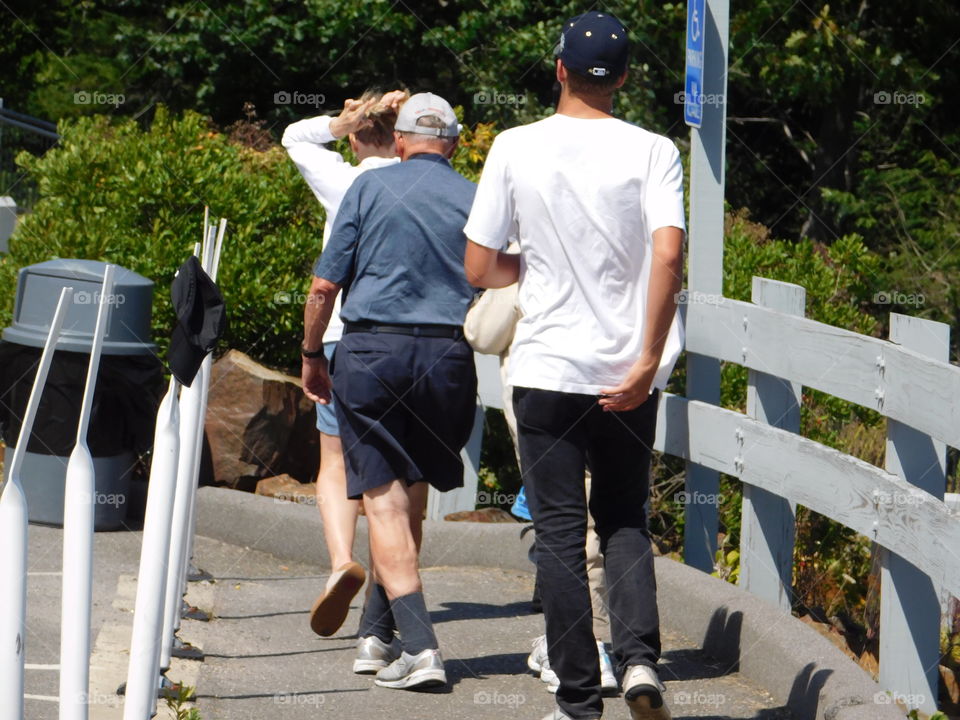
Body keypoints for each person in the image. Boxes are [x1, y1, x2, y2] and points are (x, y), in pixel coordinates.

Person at [463, 11, 684, 720]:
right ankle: (641, 661)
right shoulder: (654, 151)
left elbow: (479, 265)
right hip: (626, 373)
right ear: (622, 76)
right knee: (623, 518)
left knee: (559, 533)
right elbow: (670, 256)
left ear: (559, 69)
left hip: (545, 370)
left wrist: (534, 261)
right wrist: (648, 356)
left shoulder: (514, 145)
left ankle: (579, 701)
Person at [302, 92, 479, 690]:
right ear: (453, 145)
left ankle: (423, 647)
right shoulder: (475, 196)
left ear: (399, 142)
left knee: (382, 503)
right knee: (412, 495)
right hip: (447, 358)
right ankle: (378, 635)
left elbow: (325, 286)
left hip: (372, 353)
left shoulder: (368, 188)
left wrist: (310, 356)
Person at [285, 89, 408, 638]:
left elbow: (294, 137)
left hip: (340, 338)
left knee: (335, 463)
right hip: (410, 343)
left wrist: (338, 121)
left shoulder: (345, 181)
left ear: (359, 133)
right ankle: (387, 610)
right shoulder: (421, 181)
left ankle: (341, 562)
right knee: (398, 475)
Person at [463, 278, 619, 697]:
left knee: (561, 527)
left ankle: (579, 648)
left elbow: (484, 332)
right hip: (610, 390)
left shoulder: (526, 246)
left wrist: (482, 299)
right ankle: (593, 641)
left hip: (543, 400)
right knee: (595, 521)